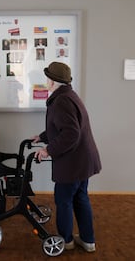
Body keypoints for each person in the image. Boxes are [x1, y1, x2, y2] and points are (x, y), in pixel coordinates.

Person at [31, 62, 101, 252]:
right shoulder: (69, 95)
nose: (46, 81)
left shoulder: (61, 100)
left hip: (73, 163)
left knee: (63, 200)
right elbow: (61, 127)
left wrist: (48, 150)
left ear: (52, 81)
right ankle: (88, 241)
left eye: (47, 77)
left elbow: (71, 133)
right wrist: (42, 137)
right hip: (82, 161)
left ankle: (66, 241)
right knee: (80, 198)